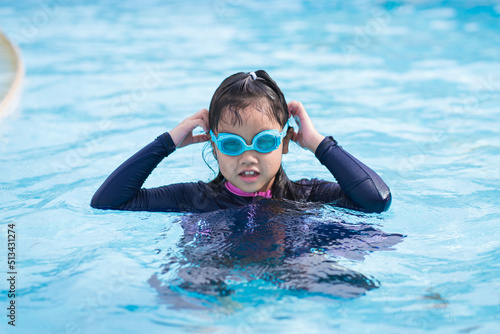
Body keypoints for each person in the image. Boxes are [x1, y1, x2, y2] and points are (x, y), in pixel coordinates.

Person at [90, 70, 391, 213]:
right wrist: (166, 143)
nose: (248, 157)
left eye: (264, 142)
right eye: (232, 145)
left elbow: (376, 200)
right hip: (215, 282)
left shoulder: (307, 195)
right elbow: (108, 202)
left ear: (285, 142)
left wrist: (318, 143)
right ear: (215, 146)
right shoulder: (195, 199)